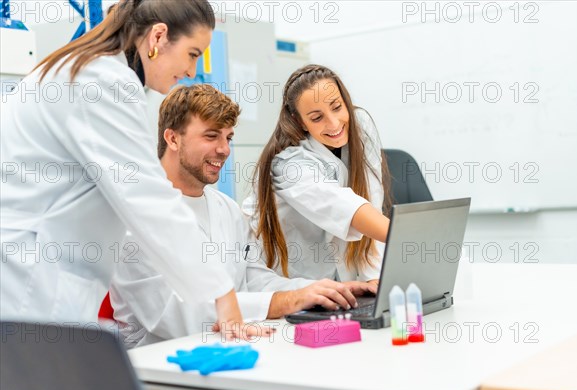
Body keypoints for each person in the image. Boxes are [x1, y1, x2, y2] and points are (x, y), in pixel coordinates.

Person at [0, 0, 268, 340]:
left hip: (31, 281)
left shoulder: (77, 69)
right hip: (28, 287)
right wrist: (223, 294)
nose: (191, 70)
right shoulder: (103, 82)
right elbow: (149, 199)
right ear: (158, 36)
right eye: (192, 53)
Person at [109, 84, 377, 347]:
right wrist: (287, 301)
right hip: (158, 366)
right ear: (172, 138)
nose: (224, 149)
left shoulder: (226, 208)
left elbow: (254, 278)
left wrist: (322, 291)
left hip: (229, 347)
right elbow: (175, 315)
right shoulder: (134, 217)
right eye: (211, 136)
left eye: (228, 137)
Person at [243, 64, 391, 283]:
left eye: (337, 107)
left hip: (334, 279)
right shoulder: (288, 163)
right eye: (316, 117)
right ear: (299, 121)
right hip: (283, 277)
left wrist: (373, 278)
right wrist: (408, 238)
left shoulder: (360, 126)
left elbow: (372, 200)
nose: (333, 123)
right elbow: (344, 208)